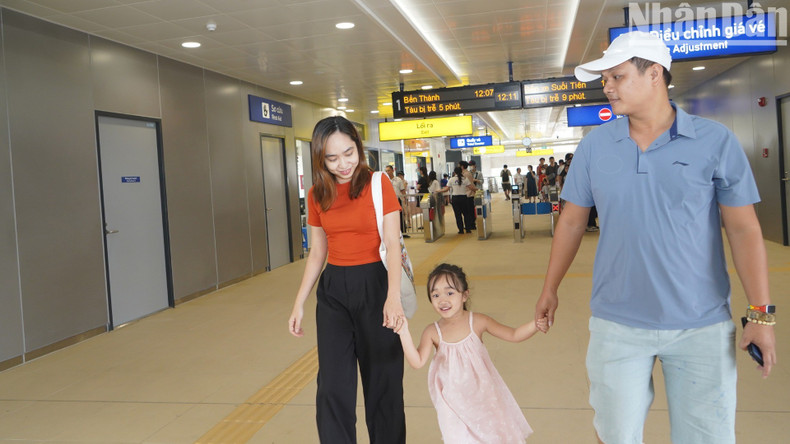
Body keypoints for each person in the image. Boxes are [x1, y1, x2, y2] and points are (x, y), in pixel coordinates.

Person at [534, 31, 775, 444]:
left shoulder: (714, 141)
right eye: (605, 78)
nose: (606, 86)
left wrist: (760, 313)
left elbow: (743, 229)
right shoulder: (595, 147)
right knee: (614, 436)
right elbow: (573, 222)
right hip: (617, 324)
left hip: (701, 326)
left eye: (617, 76)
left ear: (655, 75)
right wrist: (549, 286)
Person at [289, 116, 407, 443]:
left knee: (382, 382)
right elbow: (317, 253)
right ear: (320, 159)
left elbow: (393, 244)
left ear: (358, 147)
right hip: (334, 293)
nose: (343, 163)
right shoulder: (317, 194)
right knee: (332, 386)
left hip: (376, 285)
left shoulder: (378, 184)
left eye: (349, 152)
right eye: (332, 157)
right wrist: (299, 303)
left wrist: (393, 296)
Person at [395, 263, 546, 443]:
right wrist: (403, 332)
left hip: (482, 399)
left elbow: (513, 334)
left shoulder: (478, 321)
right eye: (435, 295)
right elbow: (417, 361)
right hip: (452, 405)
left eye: (450, 293)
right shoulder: (432, 331)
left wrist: (536, 325)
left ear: (464, 295)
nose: (442, 300)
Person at [443, 167, 475, 234]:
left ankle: (461, 230)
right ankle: (468, 229)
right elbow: (471, 187)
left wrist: (438, 191)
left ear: (454, 172)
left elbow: (446, 189)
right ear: (461, 172)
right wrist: (478, 190)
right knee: (466, 214)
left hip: (455, 199)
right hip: (464, 198)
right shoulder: (465, 179)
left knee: (458, 215)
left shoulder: (451, 179)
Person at [459, 161, 477, 231]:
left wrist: (475, 190)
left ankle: (472, 225)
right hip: (467, 194)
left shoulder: (466, 174)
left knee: (470, 211)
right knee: (469, 210)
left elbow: (470, 185)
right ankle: (470, 224)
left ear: (462, 166)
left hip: (469, 194)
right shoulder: (465, 173)